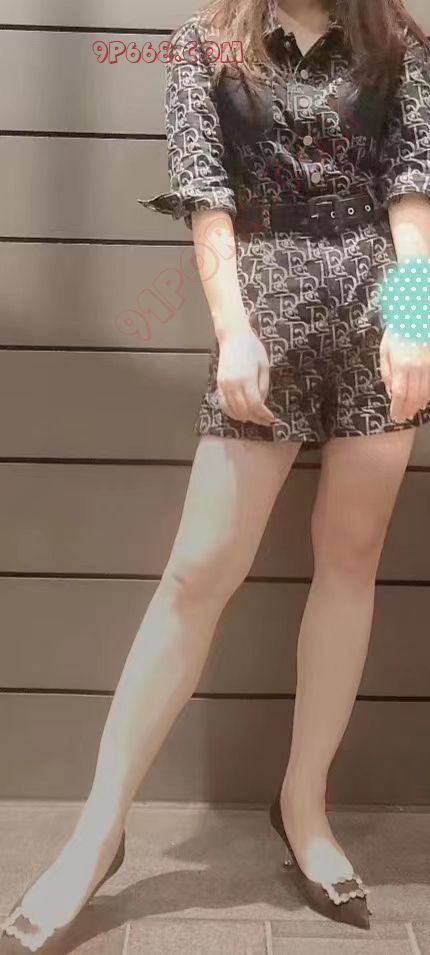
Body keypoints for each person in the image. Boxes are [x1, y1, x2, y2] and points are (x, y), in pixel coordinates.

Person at [2, 0, 430, 947]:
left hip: (378, 332)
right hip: (264, 332)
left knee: (350, 563)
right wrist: (232, 331)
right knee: (196, 575)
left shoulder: (398, 42)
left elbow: (413, 196)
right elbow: (208, 199)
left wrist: (418, 321)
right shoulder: (206, 44)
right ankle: (98, 830)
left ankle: (304, 806)